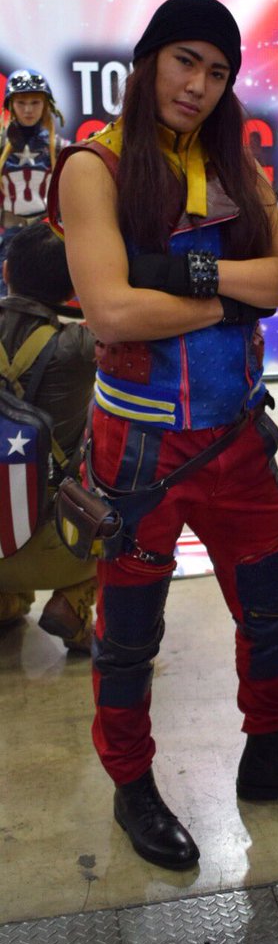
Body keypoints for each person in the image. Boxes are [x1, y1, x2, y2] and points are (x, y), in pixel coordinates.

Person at [48, 0, 278, 872]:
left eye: (217, 71)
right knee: (128, 636)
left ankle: (272, 753)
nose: (198, 84)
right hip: (138, 451)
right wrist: (232, 290)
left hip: (235, 439)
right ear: (149, 60)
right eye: (185, 60)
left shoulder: (234, 164)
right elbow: (111, 310)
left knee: (273, 610)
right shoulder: (94, 168)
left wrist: (182, 275)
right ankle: (132, 785)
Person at [0, 222, 96, 651]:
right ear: (71, 288)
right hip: (57, 548)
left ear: (6, 271)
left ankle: (5, 601)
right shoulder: (80, 346)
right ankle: (72, 603)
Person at [0, 69, 68, 294]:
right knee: (5, 298)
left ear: (46, 104)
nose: (28, 110)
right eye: (21, 103)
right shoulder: (1, 146)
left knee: (50, 294)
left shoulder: (60, 147)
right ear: (11, 105)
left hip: (46, 235)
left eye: (35, 102)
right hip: (10, 234)